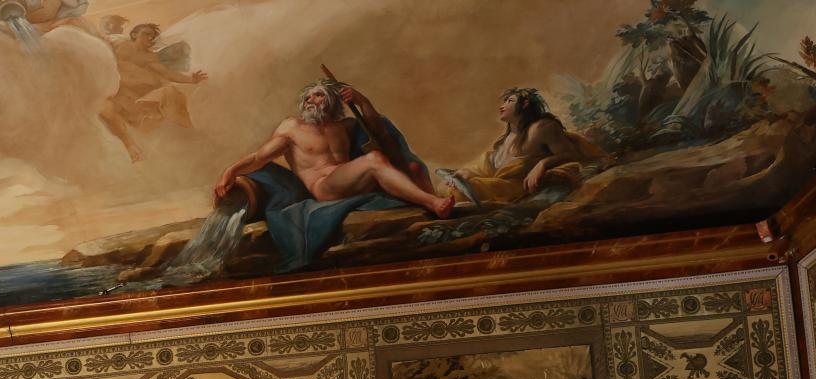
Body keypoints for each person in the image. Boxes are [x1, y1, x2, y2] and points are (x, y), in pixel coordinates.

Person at [215, 80, 451, 216]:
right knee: (375, 159)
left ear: (330, 100)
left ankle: (431, 202)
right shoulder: (292, 128)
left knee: (413, 169)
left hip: (352, 182)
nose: (310, 100)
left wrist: (361, 100)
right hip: (324, 187)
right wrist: (231, 170)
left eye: (317, 95)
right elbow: (259, 157)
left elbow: (378, 128)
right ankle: (432, 203)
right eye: (307, 97)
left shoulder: (344, 127)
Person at [440, 88, 602, 205]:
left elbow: (571, 154)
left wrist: (542, 165)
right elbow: (488, 166)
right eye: (504, 101)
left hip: (516, 188)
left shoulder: (541, 128)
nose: (502, 106)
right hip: (497, 184)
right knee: (446, 186)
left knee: (456, 193)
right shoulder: (506, 138)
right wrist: (467, 172)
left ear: (525, 104)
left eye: (510, 101)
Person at [101, 23, 208, 162]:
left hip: (128, 94)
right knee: (107, 110)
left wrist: (190, 80)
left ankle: (182, 137)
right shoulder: (120, 44)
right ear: (134, 35)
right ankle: (130, 147)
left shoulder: (149, 56)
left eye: (152, 36)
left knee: (169, 93)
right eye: (146, 34)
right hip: (111, 86)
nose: (150, 38)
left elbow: (167, 73)